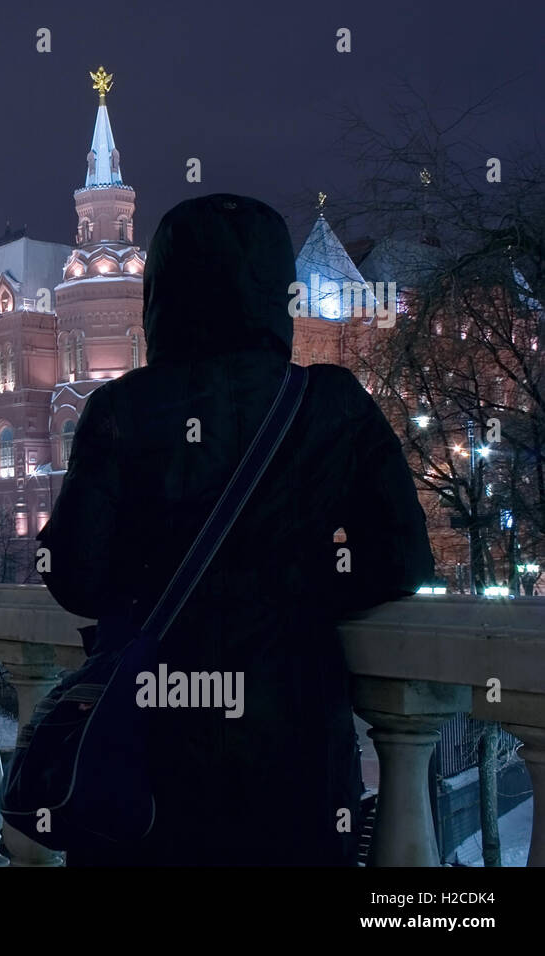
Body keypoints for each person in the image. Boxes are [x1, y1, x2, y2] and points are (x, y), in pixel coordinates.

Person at [37, 194, 434, 866]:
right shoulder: (331, 403)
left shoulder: (119, 408)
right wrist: (297, 589)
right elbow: (402, 560)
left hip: (145, 751)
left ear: (161, 290)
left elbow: (75, 575)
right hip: (292, 743)